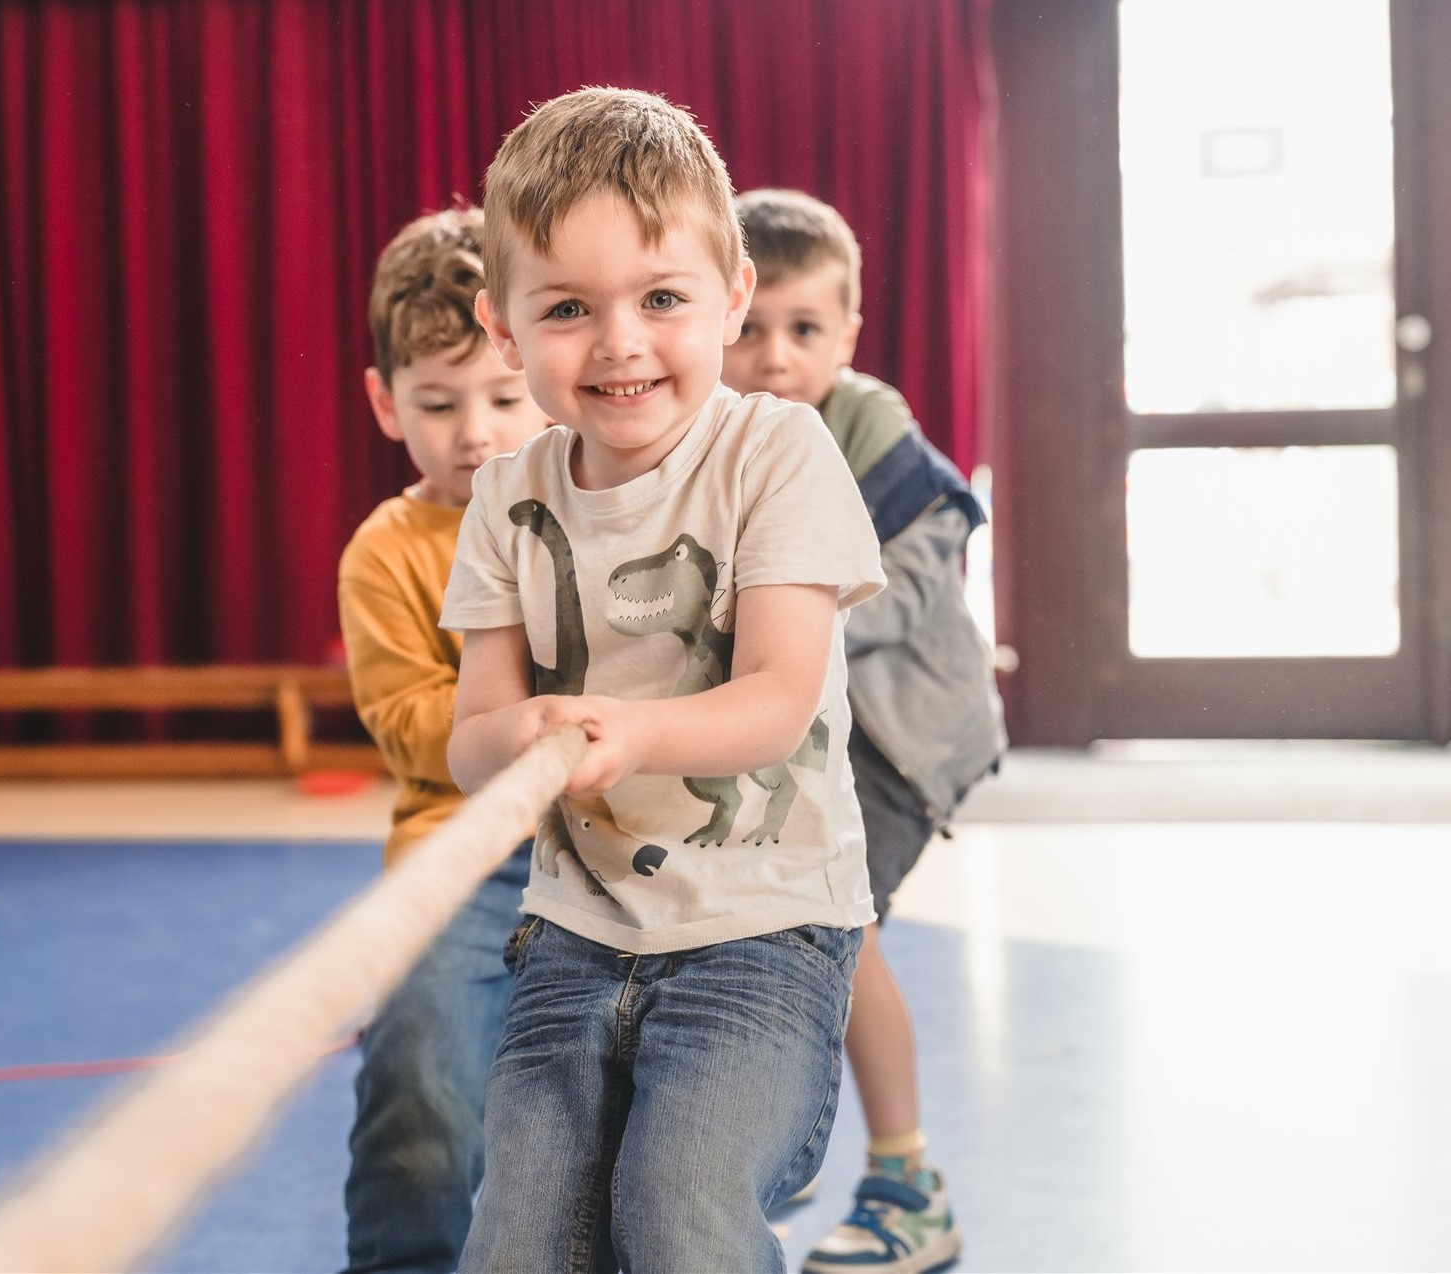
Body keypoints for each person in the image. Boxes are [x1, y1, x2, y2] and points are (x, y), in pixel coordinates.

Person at [440, 88, 887, 1273]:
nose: (620, 341)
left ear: (731, 294)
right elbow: (470, 740)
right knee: (517, 1242)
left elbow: (779, 697)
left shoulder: (776, 450)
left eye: (662, 299)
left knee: (680, 1209)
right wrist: (524, 727)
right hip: (577, 925)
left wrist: (628, 732)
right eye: (570, 308)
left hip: (768, 924)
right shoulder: (503, 496)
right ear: (504, 327)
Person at [723, 187, 1006, 1274]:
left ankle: (905, 1179)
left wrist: (774, 619)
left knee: (843, 926)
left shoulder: (870, 429)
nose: (775, 356)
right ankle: (763, 1152)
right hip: (810, 728)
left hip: (902, 734)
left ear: (846, 335)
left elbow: (906, 586)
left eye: (805, 331)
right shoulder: (719, 429)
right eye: (750, 328)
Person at [336, 206, 552, 1274]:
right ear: (385, 403)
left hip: (605, 846)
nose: (476, 431)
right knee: (418, 1082)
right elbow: (410, 725)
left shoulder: (592, 504)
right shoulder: (386, 551)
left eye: (504, 397)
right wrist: (521, 724)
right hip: (455, 858)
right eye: (437, 402)